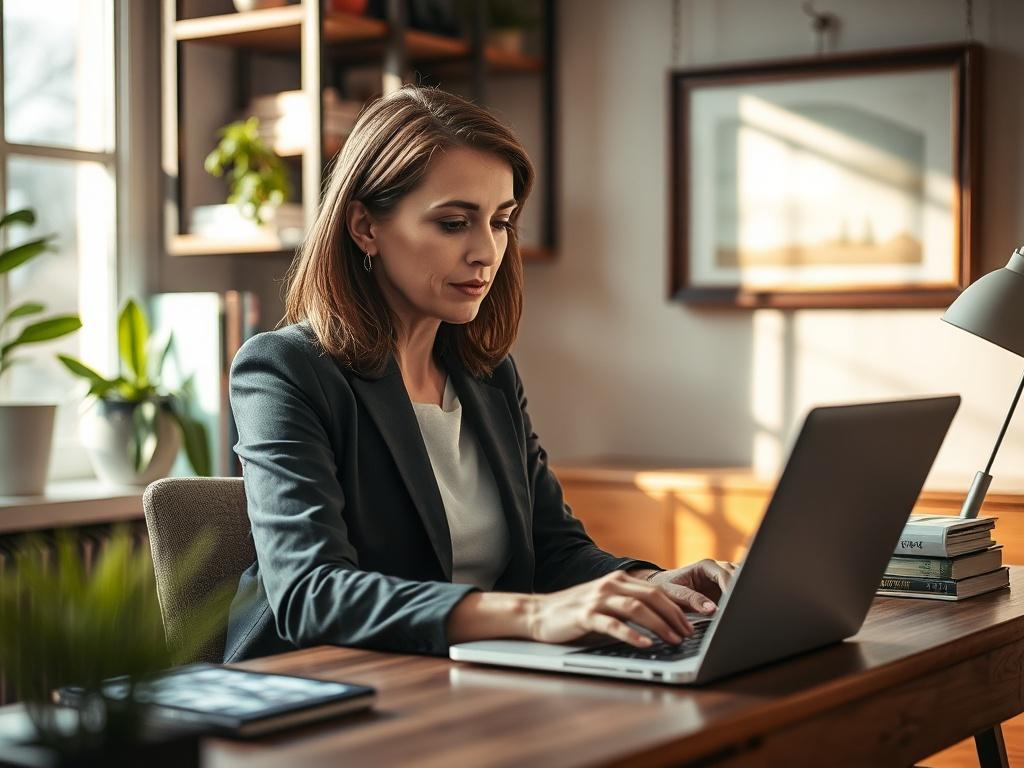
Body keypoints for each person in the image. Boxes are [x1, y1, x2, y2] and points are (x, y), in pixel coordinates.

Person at [224, 85, 733, 663]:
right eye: (453, 223)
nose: (487, 251)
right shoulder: (284, 370)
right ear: (365, 226)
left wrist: (648, 584)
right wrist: (534, 615)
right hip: (320, 693)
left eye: (501, 221)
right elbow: (310, 595)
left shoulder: (487, 377)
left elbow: (553, 550)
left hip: (460, 681)